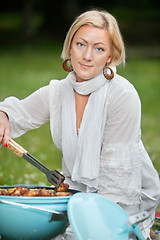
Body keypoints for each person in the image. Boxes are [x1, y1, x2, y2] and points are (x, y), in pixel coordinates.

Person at [0, 9, 160, 240]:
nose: (87, 56)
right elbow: (17, 113)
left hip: (124, 198)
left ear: (111, 55)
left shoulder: (122, 95)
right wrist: (3, 115)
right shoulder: (56, 93)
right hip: (76, 196)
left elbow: (115, 186)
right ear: (69, 47)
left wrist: (83, 224)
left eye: (99, 49)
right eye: (81, 44)